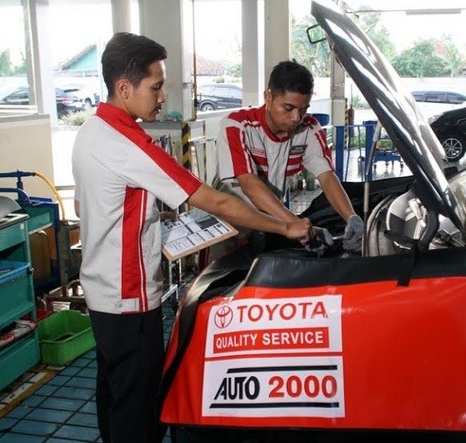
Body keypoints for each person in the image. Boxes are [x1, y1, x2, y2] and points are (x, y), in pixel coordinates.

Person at [71, 32, 312, 443]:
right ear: (124, 88)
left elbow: (86, 206)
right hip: (130, 298)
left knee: (113, 392)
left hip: (99, 292)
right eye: (156, 86)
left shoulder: (90, 132)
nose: (163, 97)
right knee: (140, 406)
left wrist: (149, 212)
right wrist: (285, 226)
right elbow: (213, 199)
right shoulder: (128, 140)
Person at [215, 59, 364, 253]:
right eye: (288, 108)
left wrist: (351, 217)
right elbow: (249, 184)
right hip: (227, 228)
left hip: (271, 223)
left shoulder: (308, 129)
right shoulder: (237, 125)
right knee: (221, 280)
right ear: (268, 98)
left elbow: (327, 177)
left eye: (303, 109)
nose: (296, 118)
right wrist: (297, 226)